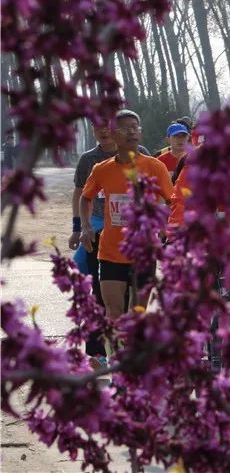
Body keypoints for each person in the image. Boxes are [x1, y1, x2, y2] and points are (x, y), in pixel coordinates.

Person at [79, 110, 173, 332]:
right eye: (125, 128)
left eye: (135, 127)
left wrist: (166, 226)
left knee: (137, 314)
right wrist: (85, 226)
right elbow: (85, 197)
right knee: (113, 314)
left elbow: (173, 201)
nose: (132, 132)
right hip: (111, 252)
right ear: (113, 134)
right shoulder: (101, 169)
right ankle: (116, 352)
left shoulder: (155, 167)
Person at [70, 116, 149, 367]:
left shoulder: (142, 154)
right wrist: (79, 228)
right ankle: (99, 354)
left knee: (133, 300)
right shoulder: (90, 160)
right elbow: (81, 194)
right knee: (97, 289)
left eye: (107, 127)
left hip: (135, 235)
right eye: (98, 128)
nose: (102, 132)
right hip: (99, 228)